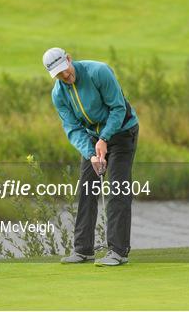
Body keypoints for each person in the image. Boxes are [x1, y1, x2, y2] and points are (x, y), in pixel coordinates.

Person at [43, 47, 139, 266]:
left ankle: (118, 251)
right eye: (59, 75)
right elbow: (73, 128)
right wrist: (91, 153)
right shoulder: (59, 94)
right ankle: (83, 250)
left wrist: (104, 139)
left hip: (123, 131)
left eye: (65, 70)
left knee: (118, 189)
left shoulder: (99, 72)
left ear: (69, 59)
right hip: (93, 139)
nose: (65, 76)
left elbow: (117, 108)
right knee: (87, 189)